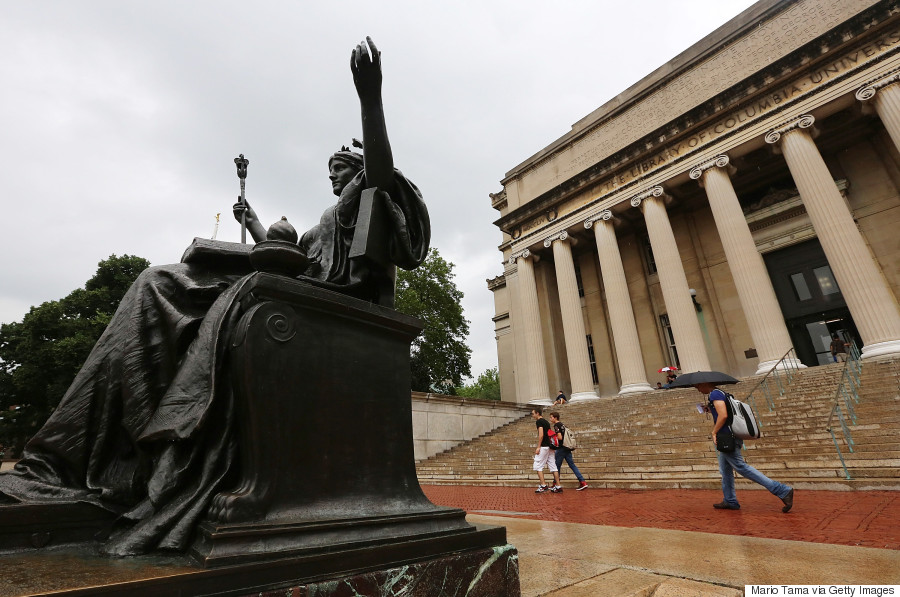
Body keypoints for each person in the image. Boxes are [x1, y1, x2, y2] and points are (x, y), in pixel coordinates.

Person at [0, 37, 429, 556]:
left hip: (318, 303)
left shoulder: (372, 191)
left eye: (339, 168)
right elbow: (298, 254)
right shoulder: (329, 217)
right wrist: (252, 222)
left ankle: (151, 451)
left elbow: (379, 173)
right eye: (332, 171)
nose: (332, 176)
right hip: (291, 289)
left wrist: (370, 98)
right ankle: (80, 462)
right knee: (156, 283)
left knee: (169, 289)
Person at [695, 382, 793, 512]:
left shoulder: (715, 394)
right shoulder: (721, 394)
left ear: (705, 383)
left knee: (741, 467)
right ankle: (730, 500)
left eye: (697, 386)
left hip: (727, 437)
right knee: (725, 471)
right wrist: (710, 408)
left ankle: (781, 490)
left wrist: (714, 431)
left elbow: (723, 415)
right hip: (729, 436)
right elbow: (725, 411)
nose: (697, 389)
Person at [549, 412, 588, 491]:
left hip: (561, 448)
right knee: (572, 465)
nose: (550, 419)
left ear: (555, 418)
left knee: (556, 467)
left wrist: (553, 437)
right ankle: (582, 481)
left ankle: (555, 484)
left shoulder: (556, 425)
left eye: (551, 417)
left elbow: (560, 437)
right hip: (567, 447)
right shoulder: (562, 425)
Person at [530, 407, 561, 493]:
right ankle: (558, 485)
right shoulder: (546, 422)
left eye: (533, 413)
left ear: (537, 413)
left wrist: (538, 447)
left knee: (538, 465)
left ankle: (543, 485)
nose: (532, 415)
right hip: (550, 446)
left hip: (544, 446)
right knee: (553, 466)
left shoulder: (539, 422)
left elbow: (541, 435)